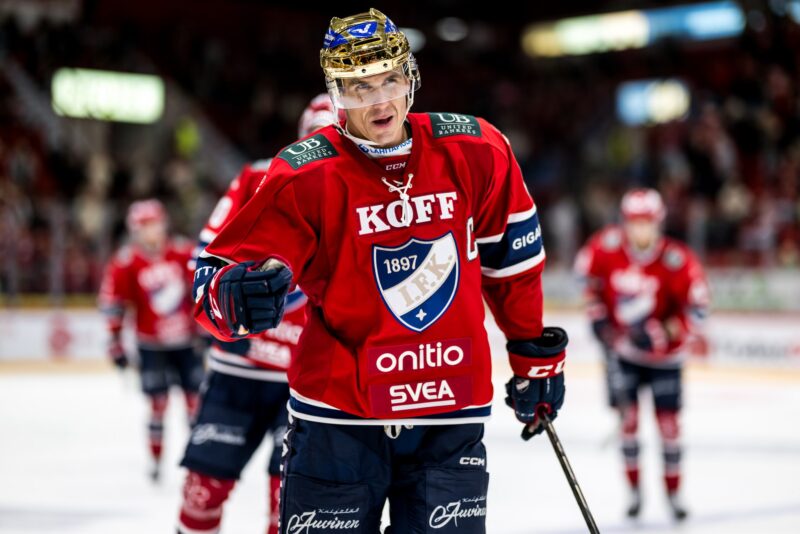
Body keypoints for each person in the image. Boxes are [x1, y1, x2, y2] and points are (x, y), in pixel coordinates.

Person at [193, 9, 567, 533]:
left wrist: (533, 359)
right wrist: (229, 296)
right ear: (337, 93)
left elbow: (513, 263)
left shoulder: (477, 150)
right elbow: (215, 277)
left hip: (448, 410)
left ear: (410, 77)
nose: (379, 100)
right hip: (338, 418)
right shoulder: (304, 173)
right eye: (359, 86)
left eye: (389, 79)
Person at [177, 94, 337, 534]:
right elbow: (204, 259)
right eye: (315, 135)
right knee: (201, 495)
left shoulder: (365, 189)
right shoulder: (257, 177)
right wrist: (224, 304)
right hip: (239, 370)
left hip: (308, 382)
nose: (322, 146)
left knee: (291, 510)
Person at [574, 188, 710, 521]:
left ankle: (673, 493)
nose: (640, 229)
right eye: (634, 222)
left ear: (659, 222)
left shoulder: (676, 259)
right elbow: (586, 280)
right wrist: (597, 316)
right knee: (628, 424)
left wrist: (663, 333)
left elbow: (698, 309)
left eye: (646, 222)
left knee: (669, 427)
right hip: (623, 354)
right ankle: (634, 492)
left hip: (666, 359)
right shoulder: (606, 247)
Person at [99, 199, 204, 481]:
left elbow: (202, 291)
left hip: (185, 342)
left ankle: (199, 462)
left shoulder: (183, 252)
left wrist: (207, 331)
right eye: (145, 226)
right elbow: (113, 303)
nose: (152, 231)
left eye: (155, 224)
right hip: (151, 344)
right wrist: (115, 342)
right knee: (158, 404)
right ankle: (156, 461)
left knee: (195, 403)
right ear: (135, 230)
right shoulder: (126, 262)